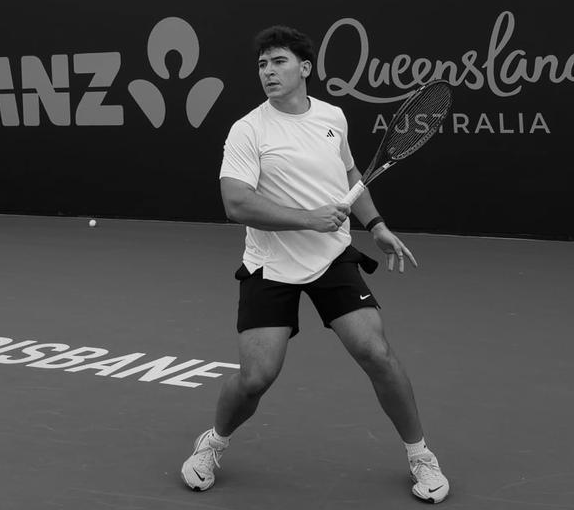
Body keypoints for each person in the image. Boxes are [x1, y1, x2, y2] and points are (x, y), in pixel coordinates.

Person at [180, 25, 450, 503]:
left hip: (332, 259)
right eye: (262, 64)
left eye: (278, 61)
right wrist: (309, 219)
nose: (268, 71)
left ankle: (420, 454)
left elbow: (350, 174)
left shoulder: (333, 117)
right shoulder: (248, 129)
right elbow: (235, 204)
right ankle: (214, 441)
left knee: (376, 353)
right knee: (257, 377)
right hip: (271, 266)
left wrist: (377, 225)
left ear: (304, 68)